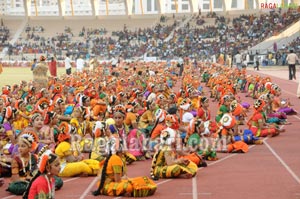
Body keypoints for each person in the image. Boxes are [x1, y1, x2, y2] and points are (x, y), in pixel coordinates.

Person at [92, 124, 157, 197]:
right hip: (108, 185)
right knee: (129, 186)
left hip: (107, 183)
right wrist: (126, 179)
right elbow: (118, 180)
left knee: (141, 179)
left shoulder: (115, 157)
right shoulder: (115, 159)